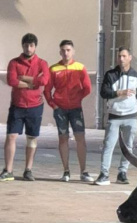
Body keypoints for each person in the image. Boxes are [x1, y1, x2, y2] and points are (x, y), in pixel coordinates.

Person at [1, 33, 50, 182]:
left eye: (31, 45)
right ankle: (8, 170)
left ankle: (28, 170)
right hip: (17, 106)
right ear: (22, 46)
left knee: (32, 138)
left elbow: (45, 80)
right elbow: (12, 81)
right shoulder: (14, 63)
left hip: (35, 106)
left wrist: (27, 79)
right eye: (26, 45)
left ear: (35, 46)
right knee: (11, 136)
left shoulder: (42, 63)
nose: (28, 48)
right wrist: (33, 83)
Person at [44, 40, 92, 183]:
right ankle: (66, 171)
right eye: (63, 50)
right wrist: (54, 105)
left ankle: (83, 171)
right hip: (60, 110)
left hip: (76, 109)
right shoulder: (53, 69)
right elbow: (47, 90)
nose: (66, 53)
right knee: (63, 138)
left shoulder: (80, 67)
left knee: (80, 138)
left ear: (73, 51)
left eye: (68, 50)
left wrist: (77, 99)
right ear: (60, 52)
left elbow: (87, 88)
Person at [94, 47, 137, 186]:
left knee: (128, 146)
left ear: (130, 57)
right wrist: (119, 93)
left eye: (124, 56)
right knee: (108, 145)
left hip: (131, 116)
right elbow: (104, 92)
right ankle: (104, 173)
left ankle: (122, 173)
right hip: (114, 116)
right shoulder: (110, 75)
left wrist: (133, 103)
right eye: (119, 56)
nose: (121, 59)